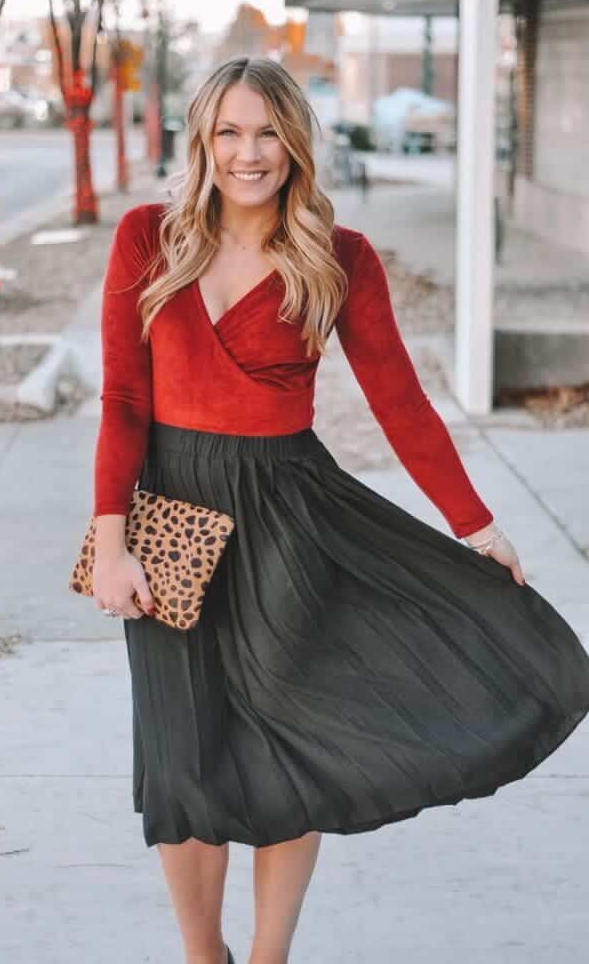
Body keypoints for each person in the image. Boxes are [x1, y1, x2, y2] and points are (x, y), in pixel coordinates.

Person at [90, 57, 589, 964]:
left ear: (297, 141)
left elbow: (402, 400)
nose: (250, 153)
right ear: (203, 137)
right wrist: (110, 537)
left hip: (291, 515)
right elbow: (124, 400)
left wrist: (473, 522)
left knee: (294, 744)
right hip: (171, 520)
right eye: (231, 131)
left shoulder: (340, 256)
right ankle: (205, 956)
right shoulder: (145, 238)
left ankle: (270, 957)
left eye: (269, 131)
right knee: (183, 756)